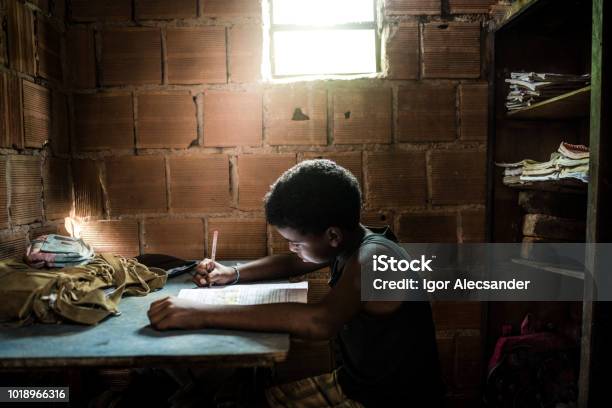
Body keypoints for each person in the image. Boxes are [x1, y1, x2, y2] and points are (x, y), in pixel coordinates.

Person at [148, 159, 445, 407]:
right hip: (358, 385)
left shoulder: (373, 259)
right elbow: (295, 262)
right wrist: (233, 274)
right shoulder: (347, 243)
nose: (292, 249)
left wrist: (199, 313)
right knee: (250, 398)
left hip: (386, 401)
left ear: (332, 235)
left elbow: (320, 321)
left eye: (295, 242)